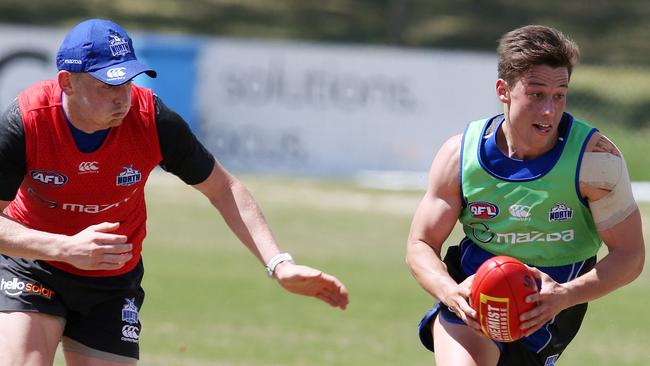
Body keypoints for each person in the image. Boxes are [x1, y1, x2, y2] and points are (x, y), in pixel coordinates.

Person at [0, 18, 349, 365]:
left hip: (112, 281)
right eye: (108, 85)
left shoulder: (152, 120)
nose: (122, 97)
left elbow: (223, 189)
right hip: (33, 267)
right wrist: (64, 247)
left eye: (127, 81)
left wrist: (279, 264)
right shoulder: (27, 122)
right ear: (67, 83)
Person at [406, 24, 644, 366]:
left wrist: (564, 296)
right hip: (475, 297)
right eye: (536, 94)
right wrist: (449, 291)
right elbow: (420, 244)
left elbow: (630, 255)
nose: (549, 110)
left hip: (551, 312)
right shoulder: (461, 157)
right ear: (504, 90)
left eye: (559, 95)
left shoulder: (595, 162)